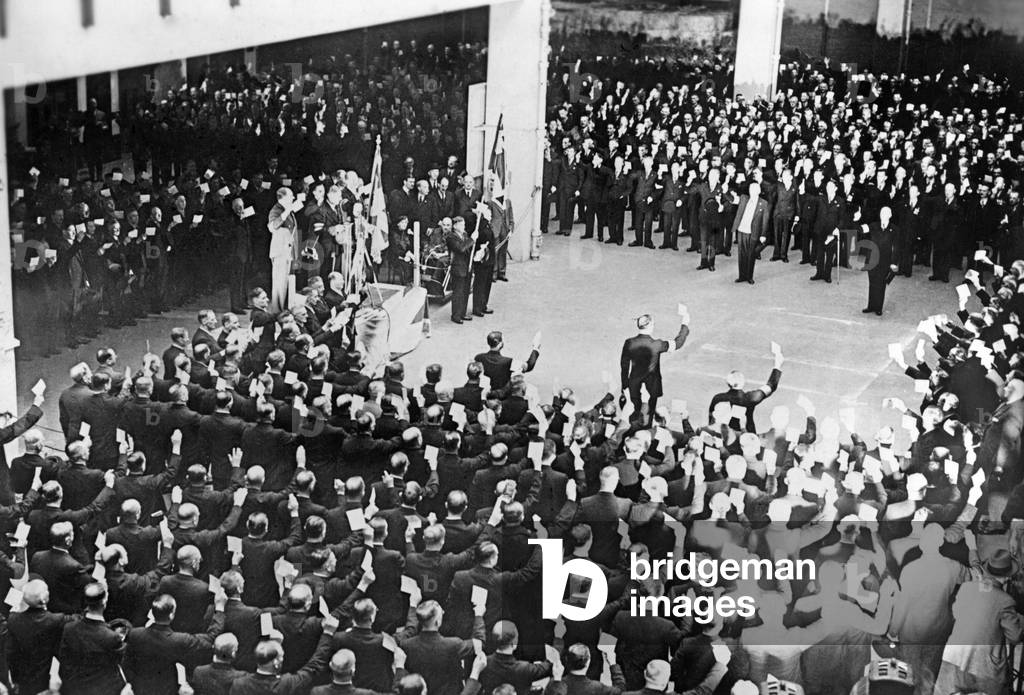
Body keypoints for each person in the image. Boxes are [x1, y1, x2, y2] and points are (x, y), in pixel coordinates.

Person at [619, 309, 690, 425]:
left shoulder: (629, 343)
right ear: (650, 326)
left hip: (634, 385)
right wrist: (685, 324)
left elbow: (624, 366)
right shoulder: (657, 344)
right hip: (651, 387)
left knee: (634, 415)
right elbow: (678, 343)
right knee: (647, 416)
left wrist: (625, 386)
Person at [862, 205, 899, 316]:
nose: (883, 215)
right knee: (872, 283)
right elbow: (861, 229)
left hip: (885, 261)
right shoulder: (873, 226)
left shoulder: (895, 229)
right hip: (872, 260)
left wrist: (893, 262)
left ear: (890, 215)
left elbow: (896, 247)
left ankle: (878, 307)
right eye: (882, 213)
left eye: (886, 213)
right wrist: (856, 219)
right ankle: (870, 306)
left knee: (881, 283)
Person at [729, 181, 769, 285]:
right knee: (741, 254)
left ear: (759, 191)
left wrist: (763, 234)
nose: (752, 191)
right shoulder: (744, 198)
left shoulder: (763, 203)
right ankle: (742, 276)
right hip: (742, 230)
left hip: (753, 232)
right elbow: (732, 199)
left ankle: (749, 276)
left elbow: (765, 220)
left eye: (755, 189)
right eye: (751, 189)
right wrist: (726, 192)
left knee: (751, 255)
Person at [269, 187, 298, 314]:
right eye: (290, 196)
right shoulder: (276, 210)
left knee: (285, 282)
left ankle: (282, 309)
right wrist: (286, 212)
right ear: (283, 198)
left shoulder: (287, 210)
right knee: (279, 283)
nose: (293, 198)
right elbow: (273, 226)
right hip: (280, 251)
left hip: (287, 251)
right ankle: (277, 311)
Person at [446, 215, 476, 325]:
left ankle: (462, 313)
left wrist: (473, 242)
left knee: (465, 291)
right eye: (462, 224)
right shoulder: (451, 237)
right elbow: (461, 248)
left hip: (467, 266)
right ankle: (456, 315)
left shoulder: (464, 235)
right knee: (458, 292)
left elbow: (468, 248)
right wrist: (472, 239)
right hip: (458, 267)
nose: (464, 226)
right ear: (455, 226)